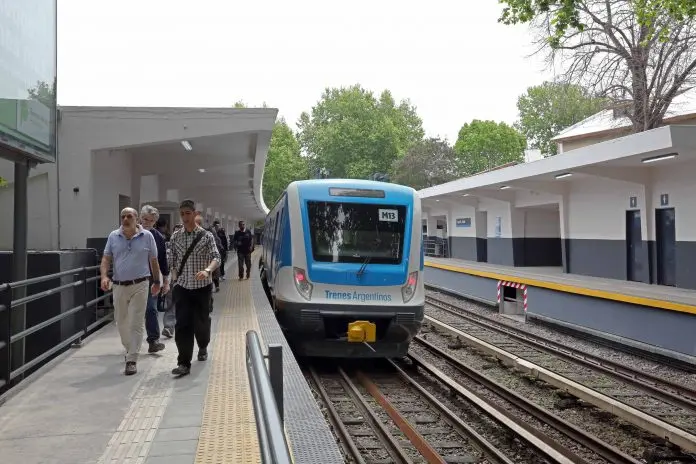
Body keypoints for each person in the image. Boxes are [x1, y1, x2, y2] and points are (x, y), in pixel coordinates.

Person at [100, 207, 161, 376]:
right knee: (120, 321)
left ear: (136, 219)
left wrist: (157, 282)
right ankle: (130, 348)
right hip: (119, 285)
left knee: (136, 321)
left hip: (141, 284)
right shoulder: (113, 236)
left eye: (129, 216)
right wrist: (104, 276)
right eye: (123, 216)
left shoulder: (147, 236)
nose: (125, 219)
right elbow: (106, 258)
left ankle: (132, 359)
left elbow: (153, 260)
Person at [167, 200, 221, 376]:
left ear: (194, 213)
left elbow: (216, 257)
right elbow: (172, 259)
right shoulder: (176, 236)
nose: (184, 217)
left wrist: (207, 270)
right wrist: (173, 277)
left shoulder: (206, 236)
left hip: (201, 288)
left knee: (201, 322)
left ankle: (203, 345)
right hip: (182, 287)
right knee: (182, 324)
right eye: (182, 214)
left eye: (187, 213)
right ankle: (184, 363)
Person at [139, 205, 170, 353]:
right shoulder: (130, 233)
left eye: (151, 221)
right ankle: (131, 343)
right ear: (140, 218)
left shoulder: (158, 237)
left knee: (151, 309)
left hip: (152, 279)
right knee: (132, 313)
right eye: (145, 219)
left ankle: (153, 340)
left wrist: (165, 280)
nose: (147, 223)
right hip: (132, 278)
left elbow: (162, 260)